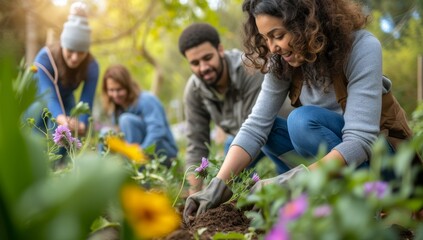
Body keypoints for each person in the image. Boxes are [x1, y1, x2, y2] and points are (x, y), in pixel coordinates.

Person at [183, 0, 415, 221]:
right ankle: (321, 202)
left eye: (278, 35)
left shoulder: (362, 47)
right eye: (265, 38)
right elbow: (256, 126)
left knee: (302, 122)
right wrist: (218, 184)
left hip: (383, 165)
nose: (272, 47)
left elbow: (360, 140)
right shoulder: (282, 61)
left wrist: (292, 179)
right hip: (332, 164)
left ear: (307, 22)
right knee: (270, 129)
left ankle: (364, 205)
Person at [178, 23, 291, 195]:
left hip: (278, 134)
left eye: (207, 58)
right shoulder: (194, 90)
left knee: (281, 181)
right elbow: (196, 144)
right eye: (195, 63)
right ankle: (239, 198)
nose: (203, 68)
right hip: (242, 140)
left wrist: (221, 181)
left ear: (220, 50)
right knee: (228, 166)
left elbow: (258, 129)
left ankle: (288, 184)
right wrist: (194, 193)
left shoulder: (251, 67)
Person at [27, 2, 98, 136]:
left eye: (81, 52)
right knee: (41, 123)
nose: (75, 58)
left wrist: (81, 123)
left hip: (66, 99)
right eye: (70, 50)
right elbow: (49, 96)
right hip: (39, 99)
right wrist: (63, 121)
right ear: (62, 45)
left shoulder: (92, 65)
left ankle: (62, 157)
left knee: (68, 136)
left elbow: (87, 100)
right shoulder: (44, 59)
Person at [101, 64, 178, 167]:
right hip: (138, 152)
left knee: (126, 120)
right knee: (105, 133)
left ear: (128, 87)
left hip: (164, 152)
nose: (115, 95)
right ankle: (102, 170)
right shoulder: (117, 108)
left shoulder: (146, 99)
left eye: (119, 90)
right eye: (111, 90)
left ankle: (136, 173)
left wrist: (141, 151)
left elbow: (157, 130)